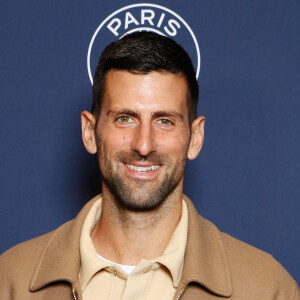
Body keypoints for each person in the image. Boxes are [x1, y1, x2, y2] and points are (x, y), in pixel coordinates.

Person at [0, 32, 299, 300]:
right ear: (90, 132)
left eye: (165, 121)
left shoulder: (267, 288)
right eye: (125, 118)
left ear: (195, 138)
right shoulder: (11, 281)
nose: (144, 145)